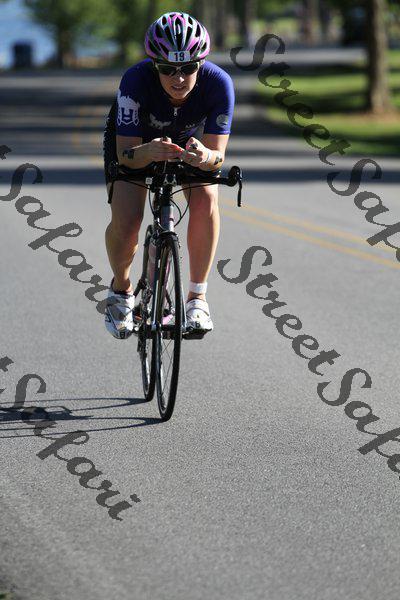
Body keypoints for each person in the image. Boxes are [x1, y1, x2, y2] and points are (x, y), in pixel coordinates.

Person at [103, 11, 235, 339]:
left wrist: (205, 156)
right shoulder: (135, 81)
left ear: (201, 63)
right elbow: (126, 154)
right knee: (128, 220)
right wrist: (147, 151)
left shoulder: (219, 84)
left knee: (206, 198)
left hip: (189, 143)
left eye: (188, 68)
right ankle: (121, 291)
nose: (179, 78)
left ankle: (197, 299)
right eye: (167, 69)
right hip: (137, 143)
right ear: (154, 66)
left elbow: (217, 157)